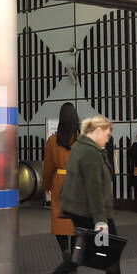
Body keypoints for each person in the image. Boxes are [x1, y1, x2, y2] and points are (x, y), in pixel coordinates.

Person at [36, 115, 126, 274]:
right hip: (93, 211)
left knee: (83, 251)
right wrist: (101, 219)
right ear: (97, 131)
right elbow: (93, 186)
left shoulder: (83, 147)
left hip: (83, 210)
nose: (108, 139)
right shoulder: (90, 151)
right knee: (110, 250)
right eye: (107, 134)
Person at [41, 103, 79, 262]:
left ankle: (65, 251)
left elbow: (48, 166)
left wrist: (47, 186)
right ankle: (74, 257)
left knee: (60, 219)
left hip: (59, 182)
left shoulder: (52, 140)